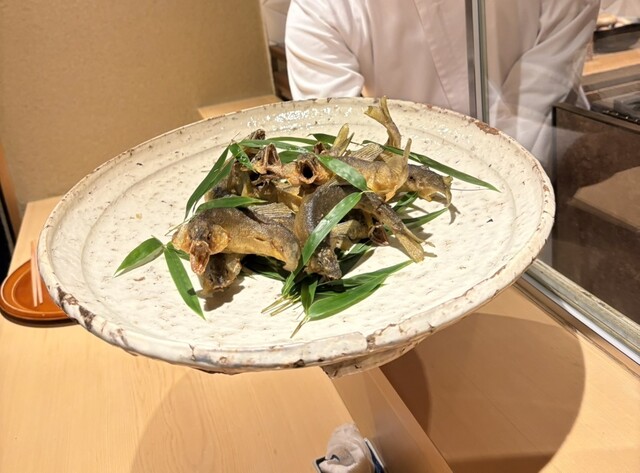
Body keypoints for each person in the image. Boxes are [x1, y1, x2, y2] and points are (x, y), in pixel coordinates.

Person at [283, 0, 599, 174]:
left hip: (555, 168)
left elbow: (536, 99)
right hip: (419, 202)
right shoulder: (320, 9)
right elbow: (342, 149)